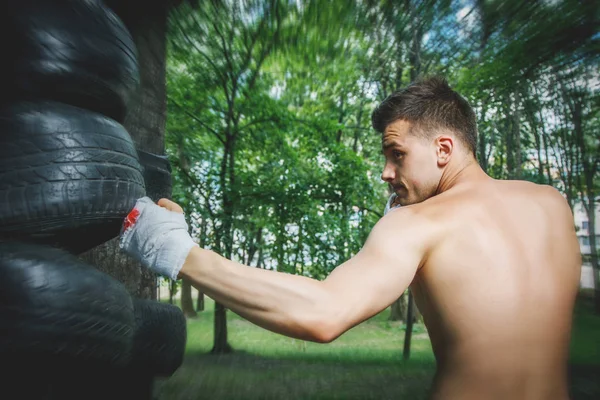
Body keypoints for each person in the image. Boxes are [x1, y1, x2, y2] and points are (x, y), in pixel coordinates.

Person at [119, 76, 582, 400]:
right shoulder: (552, 203)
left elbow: (324, 312)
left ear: (444, 149)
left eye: (396, 154)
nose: (386, 173)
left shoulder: (419, 223)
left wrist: (176, 250)